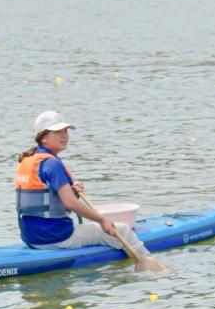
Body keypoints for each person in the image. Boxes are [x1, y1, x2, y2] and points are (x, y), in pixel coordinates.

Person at [15, 110, 164, 272]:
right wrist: (102, 220)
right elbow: (71, 203)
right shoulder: (53, 164)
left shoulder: (27, 161)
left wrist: (71, 190)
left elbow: (47, 200)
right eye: (57, 132)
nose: (64, 136)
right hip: (57, 237)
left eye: (65, 131)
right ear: (43, 137)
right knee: (122, 230)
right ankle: (152, 269)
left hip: (31, 238)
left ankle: (120, 272)